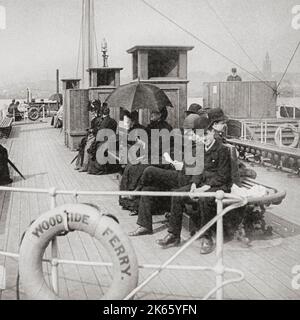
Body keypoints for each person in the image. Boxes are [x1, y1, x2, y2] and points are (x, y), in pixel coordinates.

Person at [156, 113, 232, 254]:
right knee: (177, 195)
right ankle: (174, 235)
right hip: (202, 185)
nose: (203, 140)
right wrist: (194, 184)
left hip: (218, 187)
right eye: (200, 137)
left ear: (212, 133)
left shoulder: (222, 150)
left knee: (203, 199)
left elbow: (222, 176)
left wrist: (203, 188)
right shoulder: (201, 149)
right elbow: (197, 170)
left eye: (205, 136)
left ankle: (206, 238)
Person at [127, 113, 210, 237]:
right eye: (186, 131)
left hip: (186, 180)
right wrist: (175, 162)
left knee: (150, 170)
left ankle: (136, 191)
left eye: (189, 132)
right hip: (179, 175)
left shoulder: (202, 144)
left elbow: (200, 169)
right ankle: (144, 225)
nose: (187, 134)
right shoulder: (190, 143)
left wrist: (182, 166)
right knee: (148, 189)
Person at [119, 107, 173, 213]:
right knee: (130, 166)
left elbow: (161, 148)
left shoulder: (166, 128)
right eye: (152, 111)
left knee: (138, 169)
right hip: (150, 156)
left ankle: (136, 203)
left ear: (161, 115)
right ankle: (127, 201)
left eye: (155, 112)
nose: (151, 114)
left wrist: (144, 146)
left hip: (162, 159)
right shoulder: (150, 126)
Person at [87, 103, 118, 175]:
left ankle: (97, 169)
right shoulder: (112, 121)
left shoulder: (104, 121)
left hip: (104, 141)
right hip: (111, 140)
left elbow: (100, 133)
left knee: (95, 147)